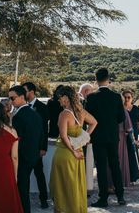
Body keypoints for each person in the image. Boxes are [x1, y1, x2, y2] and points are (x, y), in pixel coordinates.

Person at [49, 85, 97, 213]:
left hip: (66, 153)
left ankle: (63, 209)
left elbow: (64, 137)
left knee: (61, 187)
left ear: (65, 97)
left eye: (59, 98)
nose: (58, 100)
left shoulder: (64, 114)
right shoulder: (80, 111)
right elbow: (94, 122)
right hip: (78, 152)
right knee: (75, 185)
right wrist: (84, 137)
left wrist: (73, 151)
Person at [85, 68, 126, 207]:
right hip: (113, 136)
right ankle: (120, 196)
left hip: (98, 137)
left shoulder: (91, 97)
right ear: (108, 79)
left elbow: (86, 119)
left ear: (95, 80)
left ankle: (103, 198)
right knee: (115, 165)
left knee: (101, 167)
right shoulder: (116, 97)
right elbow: (121, 118)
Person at [9, 85, 44, 213]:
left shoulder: (18, 117)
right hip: (33, 156)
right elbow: (41, 134)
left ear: (22, 97)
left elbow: (16, 139)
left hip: (21, 157)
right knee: (24, 188)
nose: (11, 101)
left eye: (12, 98)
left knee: (22, 190)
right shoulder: (35, 114)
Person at [23, 82, 50, 209]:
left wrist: (43, 147)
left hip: (37, 147)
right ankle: (24, 199)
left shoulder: (42, 107)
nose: (23, 94)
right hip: (24, 148)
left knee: (39, 174)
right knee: (24, 175)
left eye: (25, 91)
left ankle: (44, 199)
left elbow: (45, 129)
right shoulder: (21, 106)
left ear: (32, 92)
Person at [122, 90, 139, 183]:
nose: (126, 99)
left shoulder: (136, 109)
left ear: (132, 98)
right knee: (125, 154)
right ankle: (126, 177)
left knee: (134, 154)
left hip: (134, 134)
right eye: (125, 97)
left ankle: (134, 176)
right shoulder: (120, 109)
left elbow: (138, 123)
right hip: (124, 134)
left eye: (128, 97)